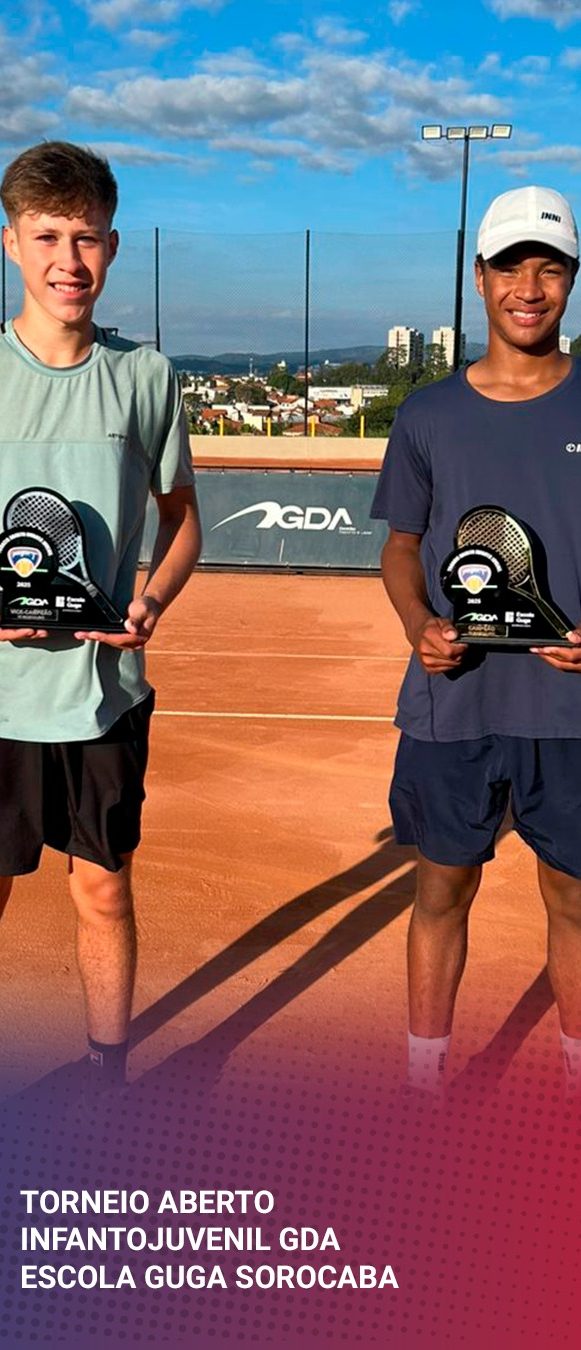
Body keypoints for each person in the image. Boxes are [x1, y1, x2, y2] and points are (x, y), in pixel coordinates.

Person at [0, 141, 201, 1104]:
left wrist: (152, 599)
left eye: (85, 238)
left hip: (103, 695)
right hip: (1, 700)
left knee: (104, 890)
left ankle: (106, 1079)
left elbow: (182, 518)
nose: (67, 261)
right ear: (11, 243)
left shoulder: (146, 375)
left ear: (113, 247)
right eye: (46, 237)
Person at [371, 184, 581, 1105]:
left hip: (568, 710)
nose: (528, 287)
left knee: (572, 903)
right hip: (452, 705)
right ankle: (425, 1091)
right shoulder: (426, 414)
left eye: (549, 267)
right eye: (510, 267)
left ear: (570, 279)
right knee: (439, 894)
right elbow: (401, 546)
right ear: (479, 277)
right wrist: (416, 621)